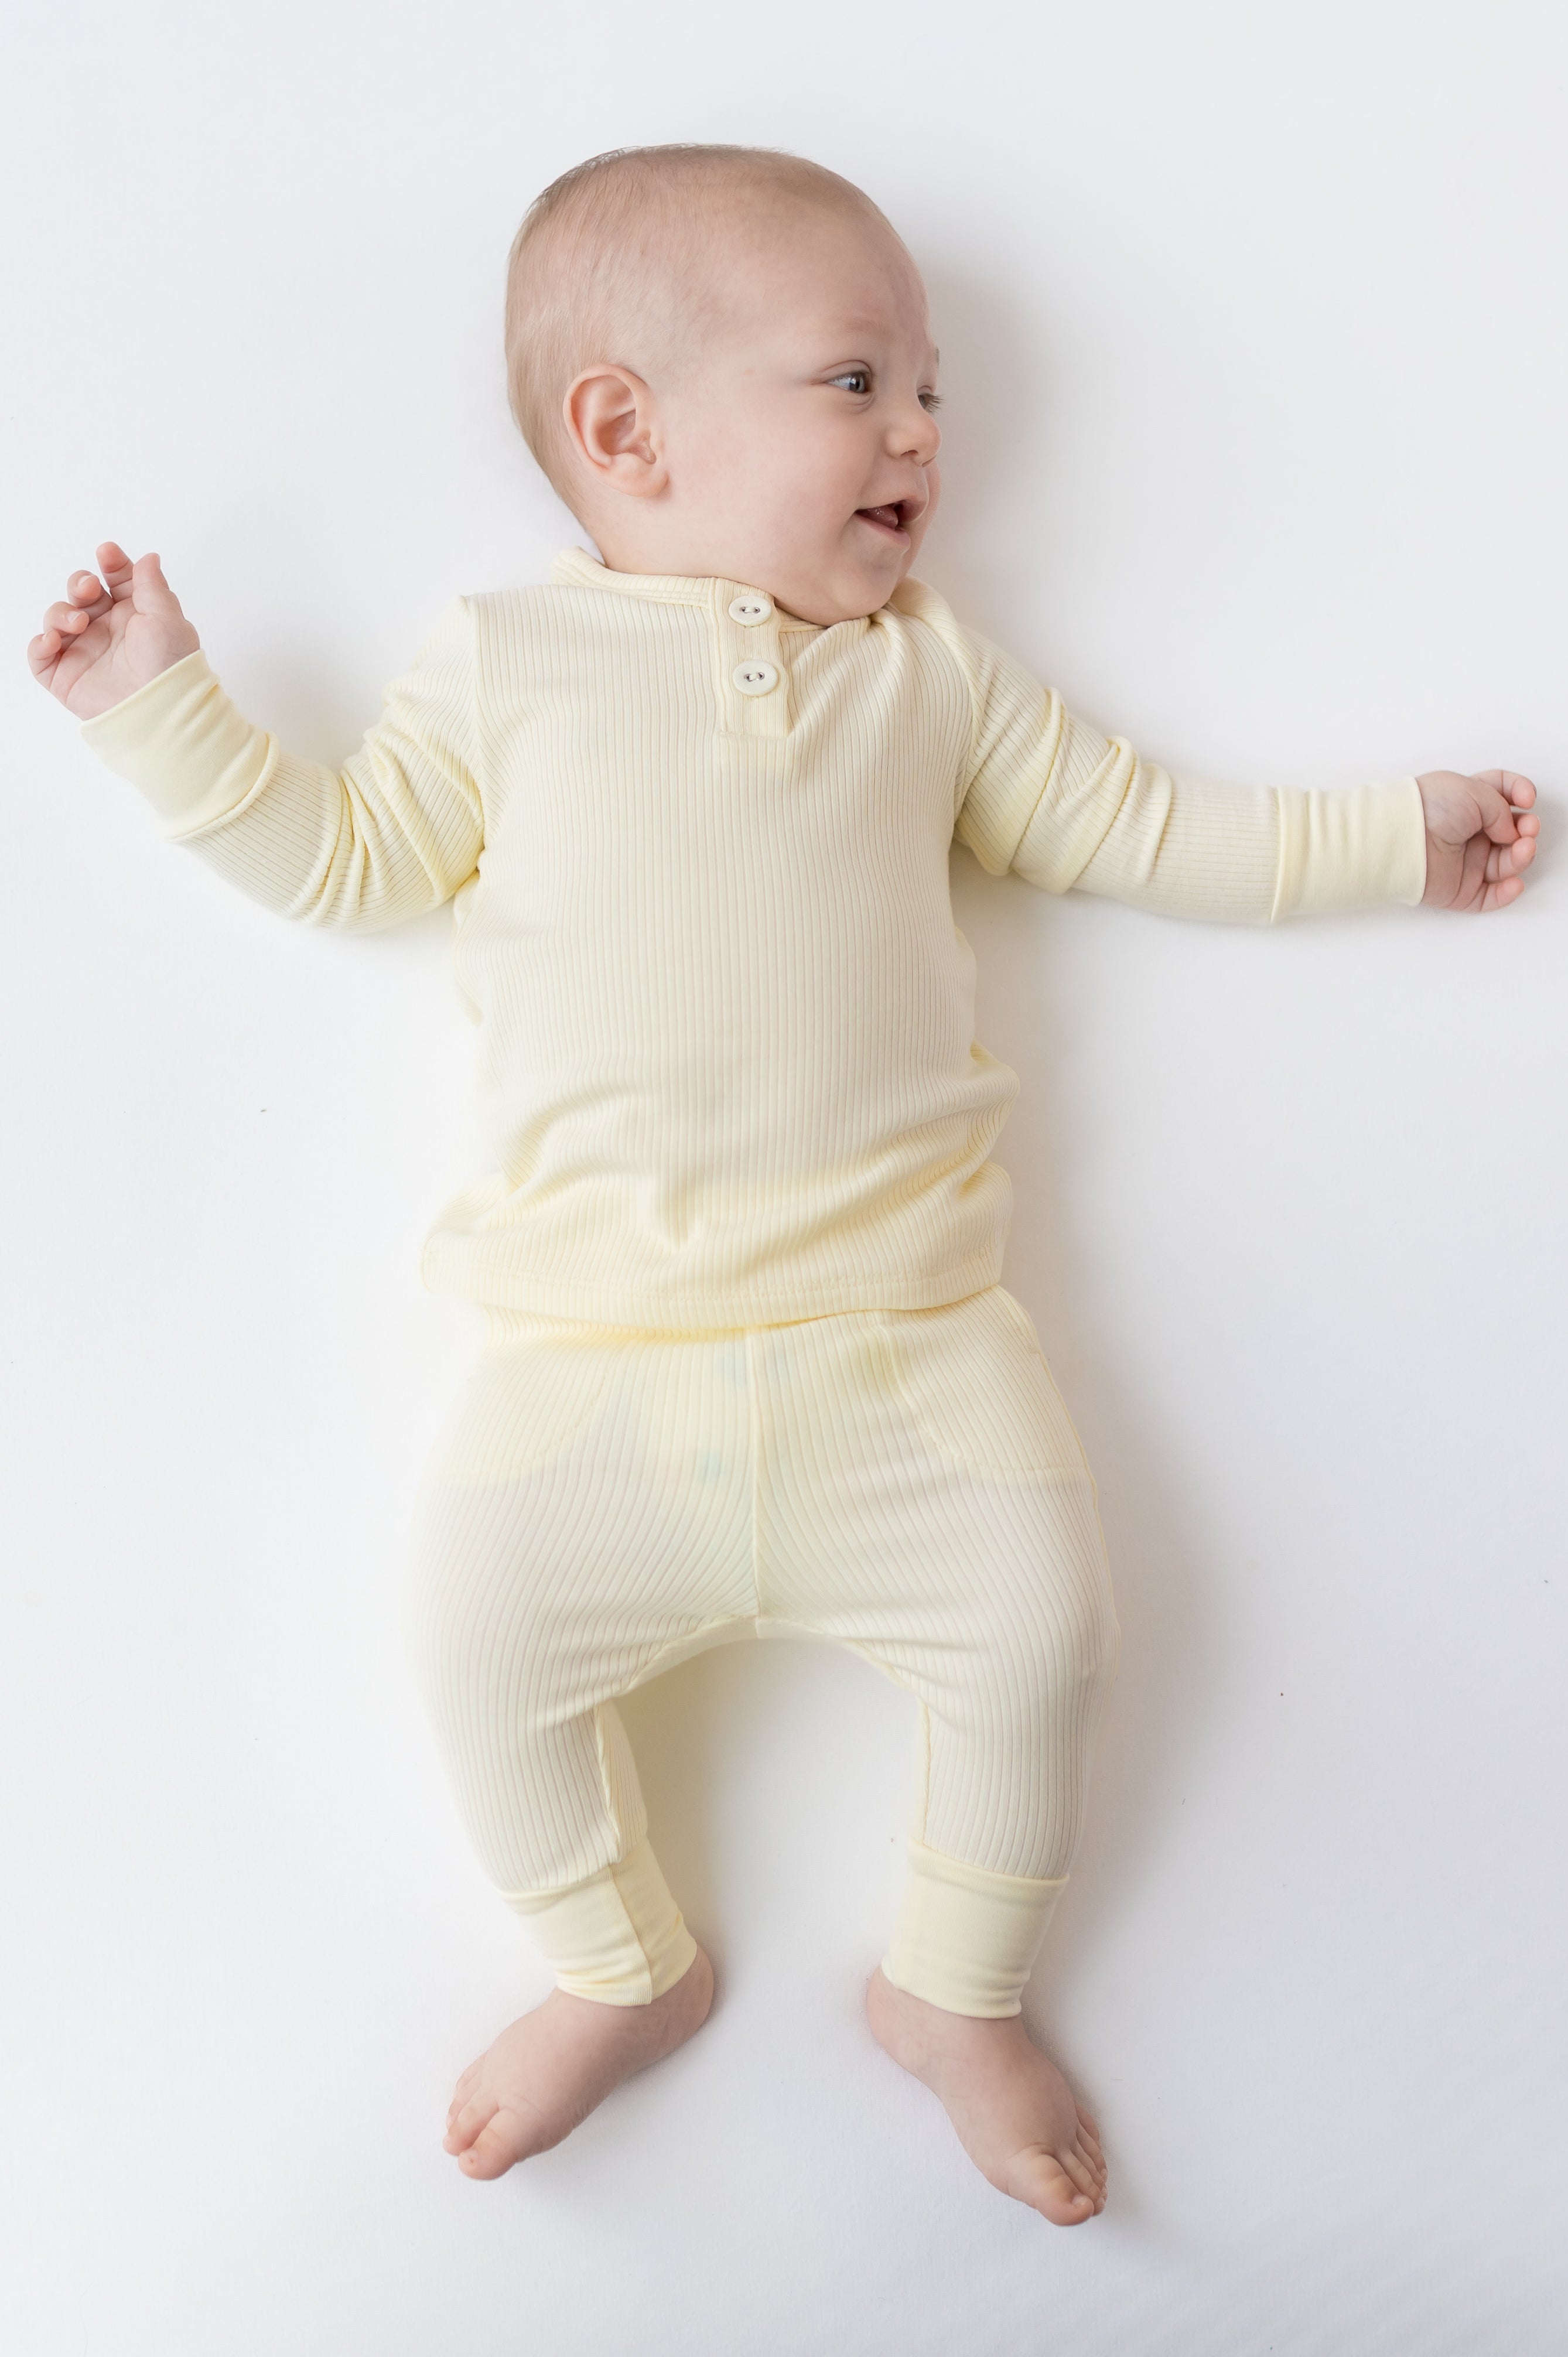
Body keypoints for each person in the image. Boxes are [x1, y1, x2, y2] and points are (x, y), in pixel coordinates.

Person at [28, 143, 1539, 2228]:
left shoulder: (933, 674)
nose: (921, 429)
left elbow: (1146, 828)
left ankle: (956, 1991)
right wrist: (158, 712)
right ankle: (618, 1965)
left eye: (932, 392)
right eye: (858, 382)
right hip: (592, 1366)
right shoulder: (506, 665)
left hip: (906, 1359)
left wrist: (1402, 834)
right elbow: (346, 863)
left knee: (1043, 1641)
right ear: (625, 430)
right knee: (471, 1641)